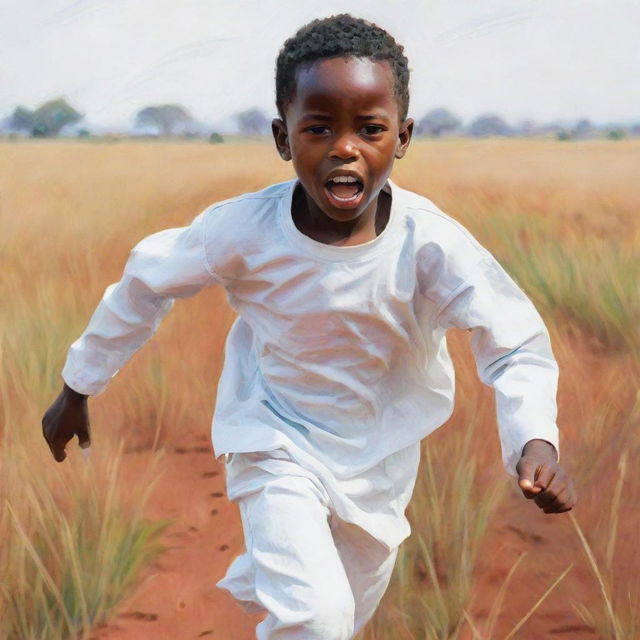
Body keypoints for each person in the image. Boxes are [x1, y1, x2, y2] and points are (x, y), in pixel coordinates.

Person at [41, 14, 577, 640]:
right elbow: (144, 284)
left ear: (401, 138)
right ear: (283, 137)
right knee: (316, 620)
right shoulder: (242, 229)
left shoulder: (431, 244)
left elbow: (514, 344)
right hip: (274, 438)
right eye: (318, 128)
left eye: (370, 129)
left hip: (380, 462)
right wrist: (78, 385)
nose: (344, 147)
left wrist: (536, 439)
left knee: (343, 616)